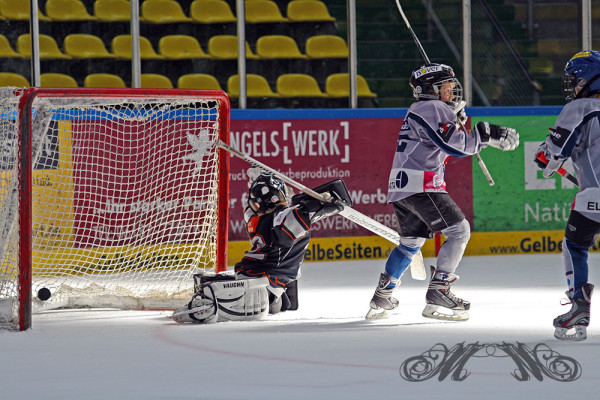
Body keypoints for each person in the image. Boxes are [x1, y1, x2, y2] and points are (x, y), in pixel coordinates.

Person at [366, 63, 520, 320]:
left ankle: (384, 294)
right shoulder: (432, 107)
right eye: (446, 88)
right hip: (422, 185)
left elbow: (443, 139)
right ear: (430, 90)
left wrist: (454, 121)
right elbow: (457, 147)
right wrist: (487, 134)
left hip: (402, 187)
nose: (451, 92)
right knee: (460, 231)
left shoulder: (422, 108)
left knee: (410, 243)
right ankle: (440, 289)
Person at [171, 168, 349, 323]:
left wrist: (256, 183)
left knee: (214, 283)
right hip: (264, 283)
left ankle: (210, 298)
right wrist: (323, 204)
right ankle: (211, 303)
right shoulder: (285, 217)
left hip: (255, 275)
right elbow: (292, 223)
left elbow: (270, 208)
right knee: (264, 301)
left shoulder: (253, 219)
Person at [534, 50, 600, 341]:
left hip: (595, 197)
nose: (573, 86)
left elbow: (558, 149)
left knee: (575, 247)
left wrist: (545, 156)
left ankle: (578, 306)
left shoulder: (580, 107)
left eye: (575, 80)